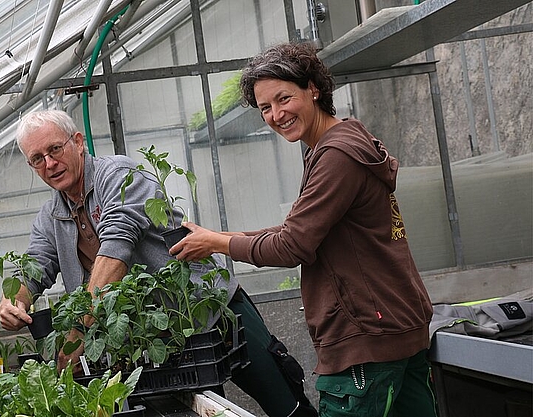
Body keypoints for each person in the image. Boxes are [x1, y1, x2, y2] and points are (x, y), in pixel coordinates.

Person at [170, 42, 437, 417]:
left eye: (283, 98)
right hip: (395, 328)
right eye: (265, 107)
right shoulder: (338, 143)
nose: (276, 114)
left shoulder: (336, 156)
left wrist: (219, 243)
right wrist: (220, 237)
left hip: (366, 340)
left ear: (313, 88)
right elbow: (298, 231)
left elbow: (292, 246)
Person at [0, 109, 317, 416]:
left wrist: (79, 333)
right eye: (37, 159)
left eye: (54, 149)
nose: (50, 163)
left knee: (285, 404)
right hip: (158, 338)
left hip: (213, 311)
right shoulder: (50, 217)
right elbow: (35, 264)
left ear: (78, 142)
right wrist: (14, 301)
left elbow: (117, 244)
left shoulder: (118, 175)